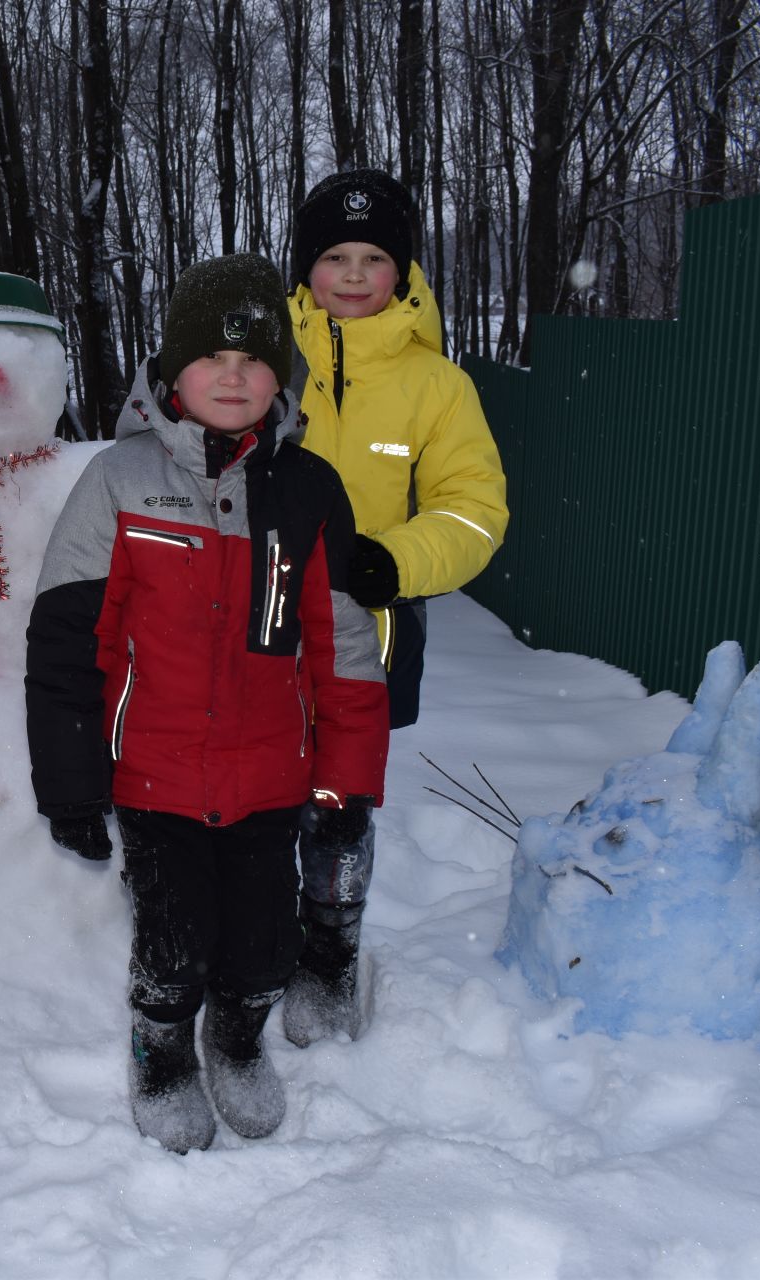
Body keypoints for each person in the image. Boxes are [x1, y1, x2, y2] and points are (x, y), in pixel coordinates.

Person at [25, 254, 389, 1152]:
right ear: (171, 373)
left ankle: (234, 1042)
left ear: (282, 378)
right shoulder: (118, 479)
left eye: (256, 359)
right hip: (156, 778)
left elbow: (344, 650)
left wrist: (347, 785)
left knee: (262, 947)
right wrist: (72, 783)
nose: (235, 376)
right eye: (212, 358)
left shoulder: (308, 492)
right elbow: (70, 641)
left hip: (272, 777)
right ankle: (161, 1051)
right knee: (175, 943)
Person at [281, 168, 509, 1047]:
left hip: (365, 630)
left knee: (338, 801)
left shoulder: (437, 387)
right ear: (307, 267)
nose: (351, 273)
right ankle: (261, 941)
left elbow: (473, 506)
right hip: (253, 629)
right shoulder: (266, 360)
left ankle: (331, 957)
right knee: (259, 790)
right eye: (334, 255)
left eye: (373, 256)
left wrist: (396, 560)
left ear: (403, 270)